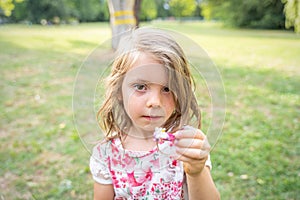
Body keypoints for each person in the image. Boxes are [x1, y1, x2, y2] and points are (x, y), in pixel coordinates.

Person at [90, 27, 220, 200]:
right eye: (141, 87)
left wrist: (196, 172)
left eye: (167, 88)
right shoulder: (106, 154)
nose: (155, 102)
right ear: (119, 91)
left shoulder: (185, 144)